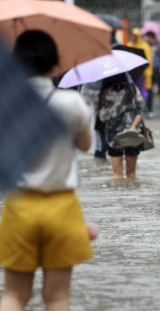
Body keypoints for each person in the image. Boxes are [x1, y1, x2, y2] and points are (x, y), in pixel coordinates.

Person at [0, 30, 97, 311]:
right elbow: (85, 145)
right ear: (56, 65)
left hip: (19, 206)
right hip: (61, 206)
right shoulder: (71, 103)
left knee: (14, 295)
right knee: (57, 297)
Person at [99, 73, 145, 180]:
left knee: (117, 175)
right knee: (131, 174)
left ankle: (118, 196)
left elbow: (102, 116)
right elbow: (141, 109)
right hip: (132, 133)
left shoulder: (105, 92)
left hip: (113, 135)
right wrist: (133, 126)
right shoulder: (132, 88)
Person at [144, 31, 160, 117]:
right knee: (149, 90)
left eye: (148, 38)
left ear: (152, 37)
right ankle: (149, 108)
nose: (147, 40)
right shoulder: (147, 46)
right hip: (150, 70)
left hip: (158, 69)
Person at [128, 28, 153, 104]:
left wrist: (147, 72)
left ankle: (147, 107)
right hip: (132, 73)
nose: (134, 37)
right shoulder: (129, 45)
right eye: (133, 35)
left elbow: (148, 60)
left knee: (144, 91)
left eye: (136, 36)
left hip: (142, 74)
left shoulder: (145, 47)